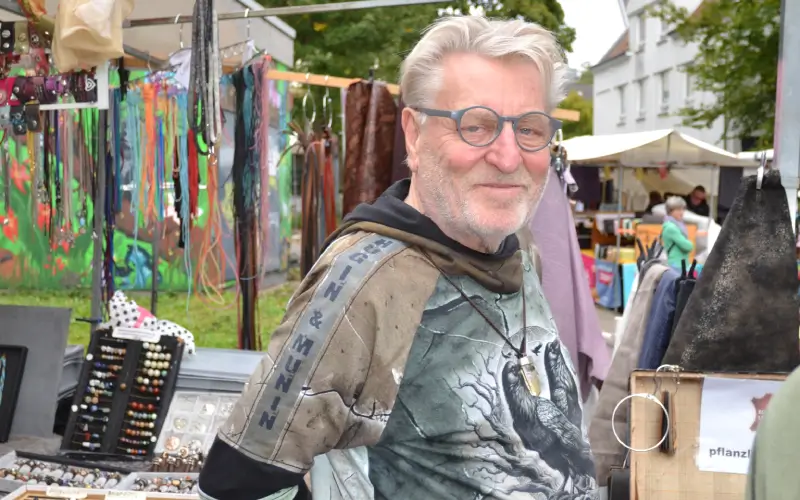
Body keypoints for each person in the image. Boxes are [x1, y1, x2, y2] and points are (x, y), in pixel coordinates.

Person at [198, 15, 597, 500]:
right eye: (476, 126)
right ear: (414, 132)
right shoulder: (363, 282)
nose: (509, 157)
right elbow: (236, 486)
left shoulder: (515, 246)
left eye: (530, 128)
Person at [661, 196, 694, 268]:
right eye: (678, 210)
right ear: (670, 211)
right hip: (676, 264)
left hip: (680, 263)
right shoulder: (671, 228)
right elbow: (687, 246)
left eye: (683, 209)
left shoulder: (673, 225)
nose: (682, 212)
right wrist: (691, 243)